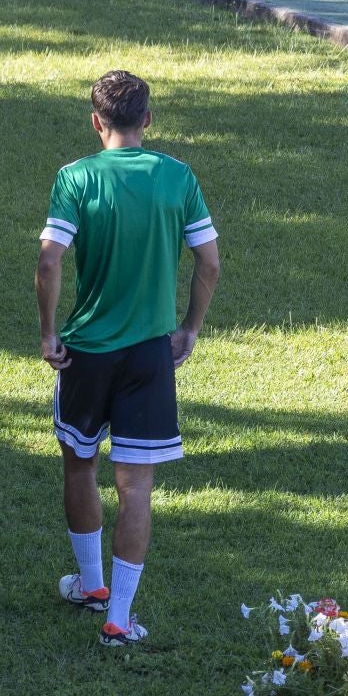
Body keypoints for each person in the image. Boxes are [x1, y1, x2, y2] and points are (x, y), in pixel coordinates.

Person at [35, 71, 220, 648]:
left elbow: (49, 261)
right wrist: (189, 328)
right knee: (136, 486)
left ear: (96, 121)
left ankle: (91, 584)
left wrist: (48, 333)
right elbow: (210, 263)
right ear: (148, 119)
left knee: (79, 464)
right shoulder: (178, 176)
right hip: (149, 354)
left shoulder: (76, 177)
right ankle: (118, 617)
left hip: (85, 353)